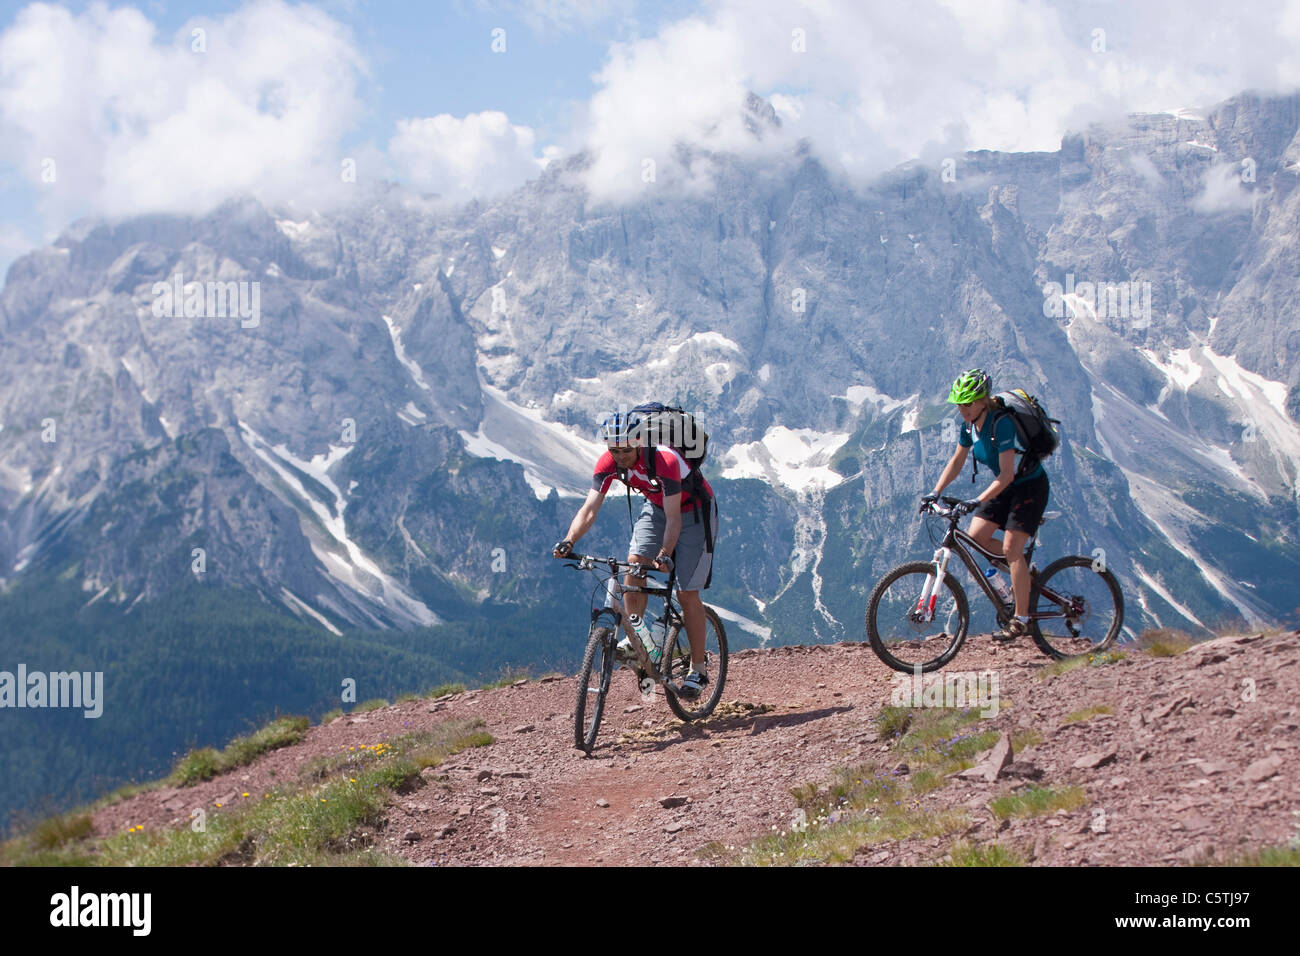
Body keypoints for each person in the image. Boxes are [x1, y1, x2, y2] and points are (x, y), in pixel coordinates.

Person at [553, 408, 719, 698]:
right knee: (633, 565)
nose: (620, 456)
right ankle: (638, 639)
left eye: (626, 450)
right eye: (614, 450)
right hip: (656, 507)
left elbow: (674, 518)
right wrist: (569, 540)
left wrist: (666, 553)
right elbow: (590, 508)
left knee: (686, 593)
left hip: (693, 513)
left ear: (639, 441)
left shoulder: (665, 459)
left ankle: (698, 669)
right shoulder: (609, 461)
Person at [921, 369, 1050, 641]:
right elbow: (957, 462)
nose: (962, 409)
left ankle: (1022, 620)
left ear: (983, 401)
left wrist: (976, 500)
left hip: (1028, 487)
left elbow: (1007, 475)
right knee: (976, 537)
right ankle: (1023, 574)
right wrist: (935, 491)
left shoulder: (1001, 423)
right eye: (959, 403)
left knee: (1011, 548)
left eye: (967, 403)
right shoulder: (968, 425)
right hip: (1004, 488)